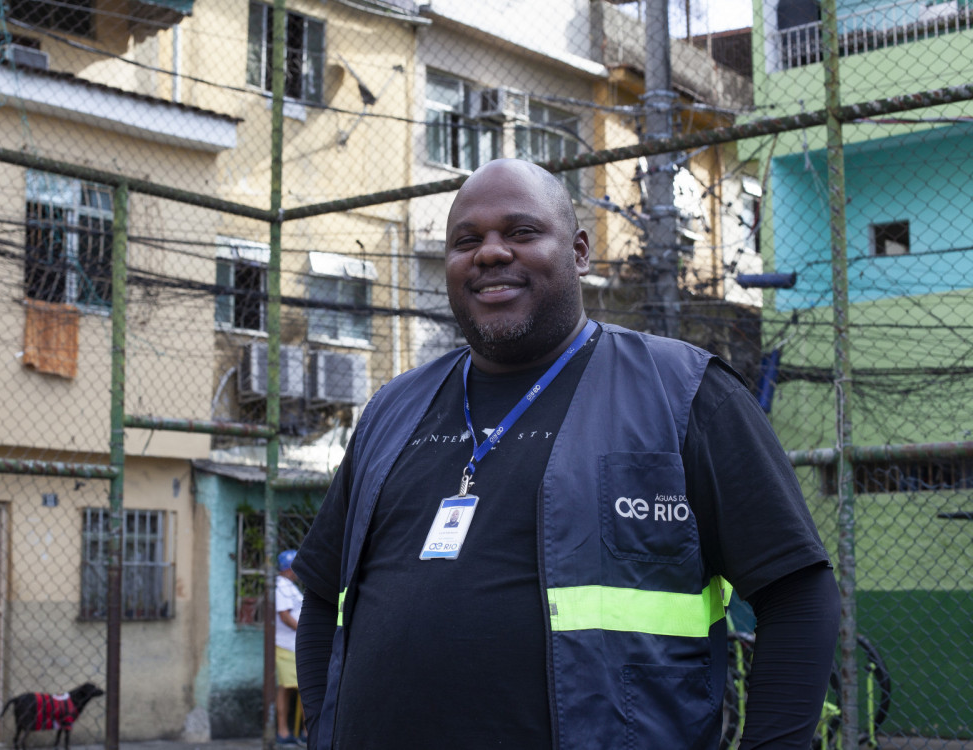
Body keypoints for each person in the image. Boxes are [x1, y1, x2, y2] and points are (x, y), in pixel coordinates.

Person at [292, 158, 840, 749]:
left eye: (522, 233)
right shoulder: (391, 411)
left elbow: (797, 595)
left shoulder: (684, 392)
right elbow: (324, 597)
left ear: (579, 252)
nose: (490, 253)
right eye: (466, 241)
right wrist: (326, 728)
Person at [275, 549, 305, 746]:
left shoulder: (290, 586)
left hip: (296, 646)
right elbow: (285, 616)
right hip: (287, 646)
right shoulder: (281, 586)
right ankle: (283, 731)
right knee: (286, 688)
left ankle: (304, 731)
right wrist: (304, 631)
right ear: (290, 568)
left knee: (304, 688)